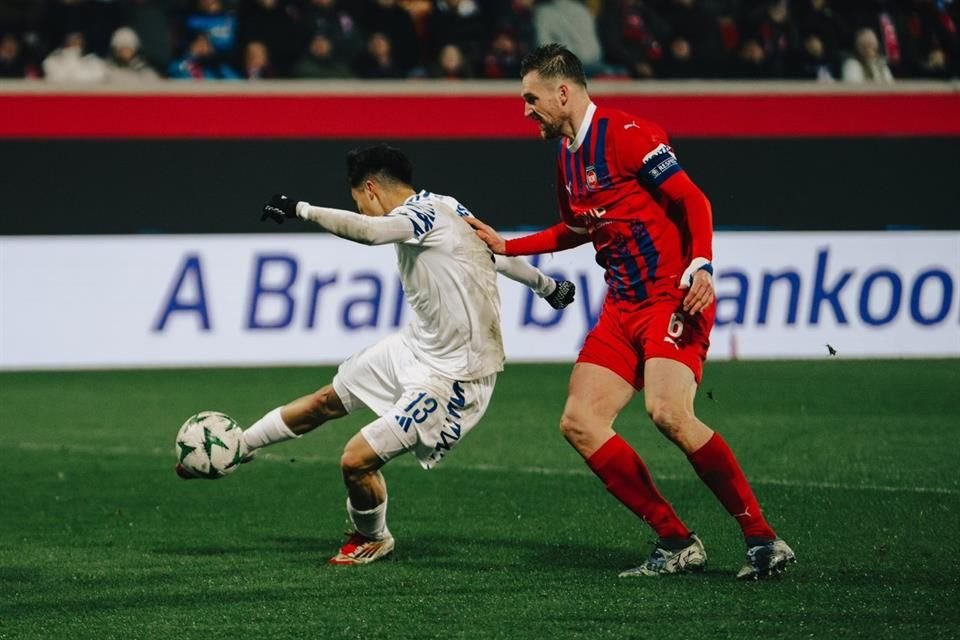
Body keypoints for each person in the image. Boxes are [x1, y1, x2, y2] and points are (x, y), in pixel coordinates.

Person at [465, 44, 795, 580]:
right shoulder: (567, 157)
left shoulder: (627, 133)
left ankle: (762, 539)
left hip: (672, 295)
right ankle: (675, 539)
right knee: (580, 422)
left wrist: (702, 266)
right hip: (621, 307)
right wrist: (509, 247)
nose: (526, 110)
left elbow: (694, 201)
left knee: (668, 413)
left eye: (531, 98)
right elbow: (577, 227)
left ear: (562, 91)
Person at [177, 145, 576, 566]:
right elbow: (494, 252)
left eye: (358, 204)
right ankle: (240, 446)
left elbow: (370, 233)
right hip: (416, 347)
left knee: (355, 461)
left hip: (453, 376)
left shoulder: (420, 216)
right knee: (326, 401)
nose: (363, 212)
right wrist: (546, 286)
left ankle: (372, 536)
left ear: (371, 189)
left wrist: (302, 208)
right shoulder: (447, 206)